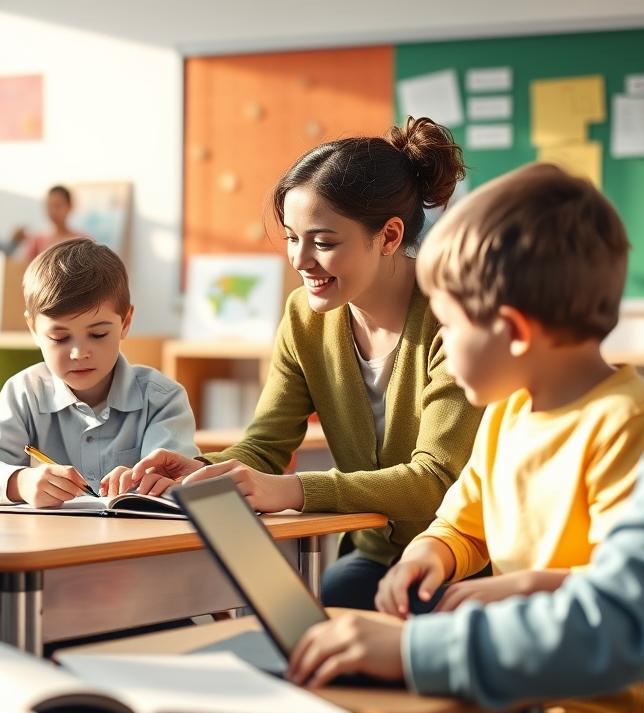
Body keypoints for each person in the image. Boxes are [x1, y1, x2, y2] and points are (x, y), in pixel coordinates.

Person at [286, 178, 644, 713]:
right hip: (521, 686)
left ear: (513, 331)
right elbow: (463, 521)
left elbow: (615, 607)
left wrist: (441, 632)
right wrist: (430, 554)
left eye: (448, 325)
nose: (440, 341)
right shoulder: (509, 411)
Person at [127, 117, 483, 609]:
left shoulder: (453, 318)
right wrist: (203, 472)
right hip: (374, 555)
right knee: (291, 625)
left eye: (323, 242)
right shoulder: (305, 316)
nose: (299, 259)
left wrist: (292, 490)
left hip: (463, 562)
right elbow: (267, 443)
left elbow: (433, 483)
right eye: (292, 237)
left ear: (389, 235)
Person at [0, 238, 196, 506]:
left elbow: (183, 487)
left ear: (126, 322)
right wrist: (20, 482)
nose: (79, 353)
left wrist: (158, 485)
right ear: (33, 329)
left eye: (98, 334)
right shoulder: (25, 393)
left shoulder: (161, 399)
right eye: (59, 338)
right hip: (49, 545)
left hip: (136, 544)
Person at [22, 185, 84, 261]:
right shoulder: (37, 241)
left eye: (57, 206)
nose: (53, 211)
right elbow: (25, 267)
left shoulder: (82, 241)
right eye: (49, 206)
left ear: (70, 206)